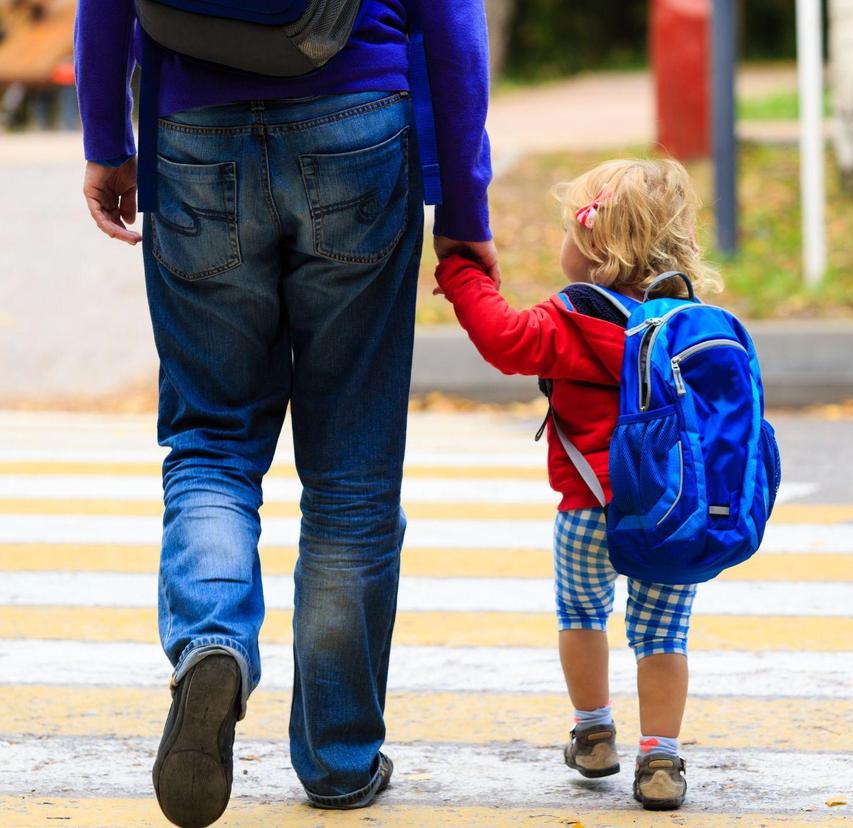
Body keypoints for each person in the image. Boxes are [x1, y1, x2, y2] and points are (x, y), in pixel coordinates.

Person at [74, 2, 496, 826]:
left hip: (192, 128)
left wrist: (106, 140)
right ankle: (338, 760)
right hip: (357, 123)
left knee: (211, 438)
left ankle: (212, 643)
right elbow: (452, 22)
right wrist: (463, 206)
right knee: (352, 468)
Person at [434, 158, 722, 811]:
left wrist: (461, 274)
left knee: (581, 615)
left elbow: (506, 340)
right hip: (673, 514)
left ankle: (593, 730)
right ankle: (661, 758)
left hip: (589, 509)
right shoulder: (689, 324)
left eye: (568, 228)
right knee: (664, 636)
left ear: (593, 245)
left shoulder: (577, 316)